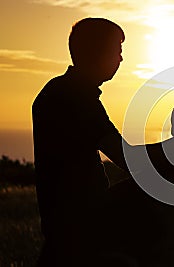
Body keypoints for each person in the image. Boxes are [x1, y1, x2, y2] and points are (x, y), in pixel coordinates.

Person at [32, 18, 130, 266]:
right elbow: (123, 156)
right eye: (117, 51)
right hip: (79, 231)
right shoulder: (76, 97)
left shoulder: (59, 90)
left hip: (66, 227)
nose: (120, 59)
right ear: (97, 52)